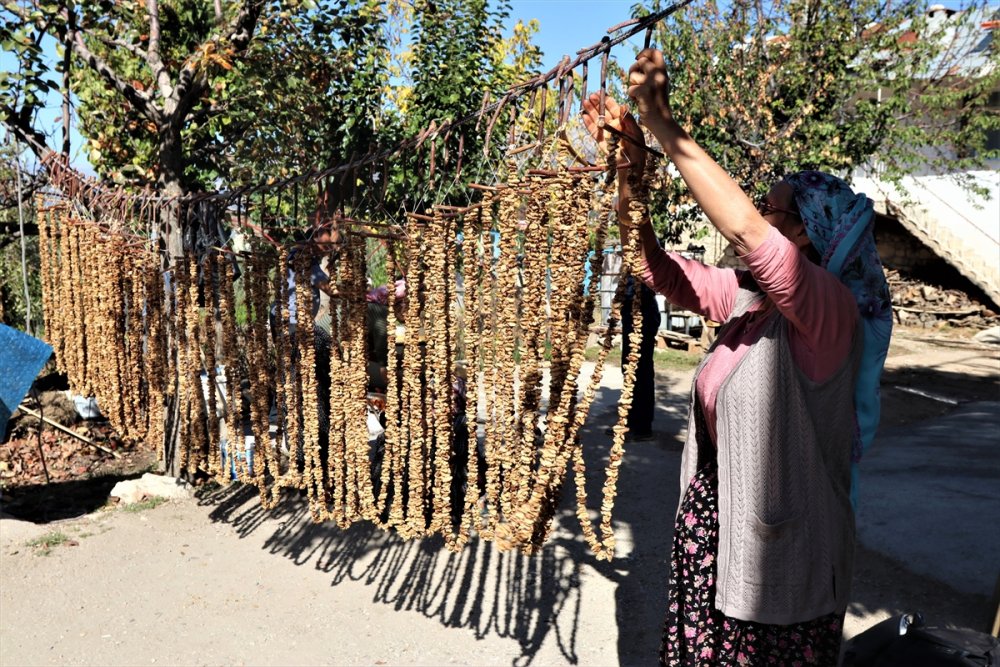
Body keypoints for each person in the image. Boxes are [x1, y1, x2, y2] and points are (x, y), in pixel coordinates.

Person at [583, 49, 892, 665]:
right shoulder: (753, 302)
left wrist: (662, 119)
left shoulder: (829, 313)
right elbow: (653, 267)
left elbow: (747, 232)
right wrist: (631, 166)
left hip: (784, 560)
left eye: (774, 208)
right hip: (714, 534)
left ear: (804, 234)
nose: (761, 214)